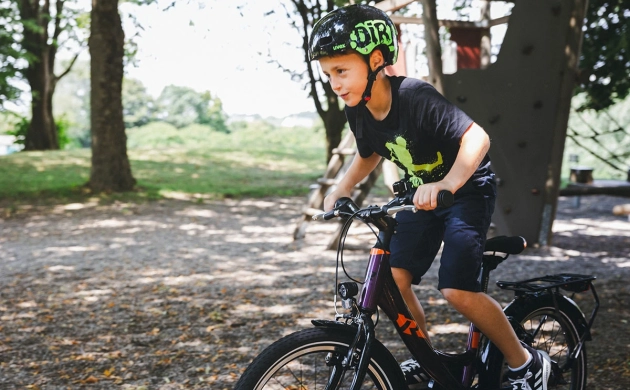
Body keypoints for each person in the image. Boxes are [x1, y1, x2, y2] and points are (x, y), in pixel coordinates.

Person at [309, 4, 551, 390]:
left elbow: (477, 138)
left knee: (457, 289)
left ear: (375, 61)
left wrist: (448, 184)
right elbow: (367, 153)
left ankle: (526, 362)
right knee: (393, 279)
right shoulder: (359, 110)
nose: (335, 83)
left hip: (466, 188)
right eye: (328, 74)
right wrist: (340, 189)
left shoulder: (414, 96)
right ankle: (426, 359)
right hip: (422, 195)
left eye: (341, 71)